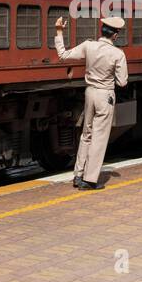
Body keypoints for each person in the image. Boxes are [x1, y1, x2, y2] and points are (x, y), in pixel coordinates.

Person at [54, 14, 128, 190]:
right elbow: (122, 82)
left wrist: (59, 31)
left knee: (86, 134)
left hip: (89, 93)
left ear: (101, 31)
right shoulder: (118, 54)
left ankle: (78, 175)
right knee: (99, 137)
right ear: (115, 35)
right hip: (105, 96)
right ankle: (89, 180)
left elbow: (63, 55)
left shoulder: (89, 46)